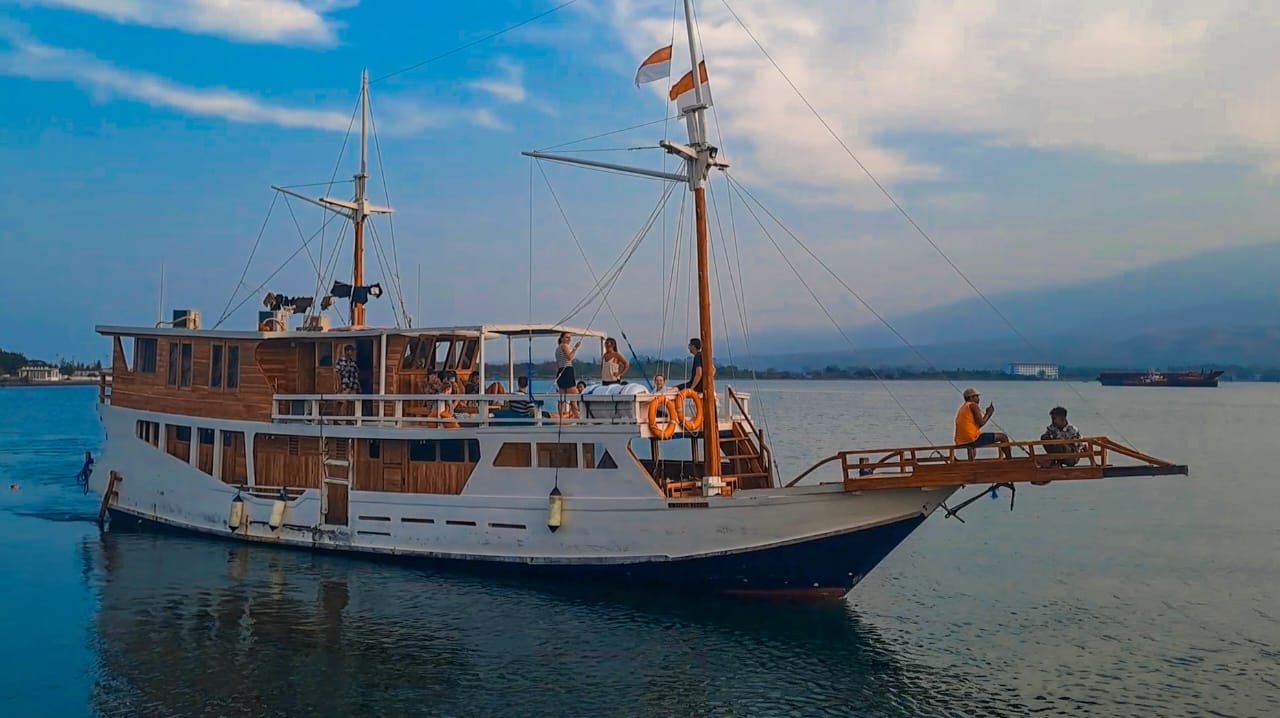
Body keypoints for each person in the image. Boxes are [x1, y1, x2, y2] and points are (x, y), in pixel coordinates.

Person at [954, 387, 1011, 459]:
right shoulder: (973, 405)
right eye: (976, 396)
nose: (978, 398)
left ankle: (971, 463)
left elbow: (975, 426)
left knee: (973, 440)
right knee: (1003, 437)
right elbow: (981, 423)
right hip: (971, 439)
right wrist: (988, 413)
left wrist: (987, 415)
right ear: (970, 397)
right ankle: (1009, 459)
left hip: (961, 440)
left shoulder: (963, 407)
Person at [554, 332, 581, 416]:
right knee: (574, 398)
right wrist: (575, 348)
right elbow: (569, 357)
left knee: (562, 399)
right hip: (567, 371)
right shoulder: (564, 346)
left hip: (561, 372)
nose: (569, 339)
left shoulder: (557, 349)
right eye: (567, 337)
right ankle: (577, 416)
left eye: (569, 338)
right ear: (562, 338)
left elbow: (558, 365)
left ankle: (561, 417)